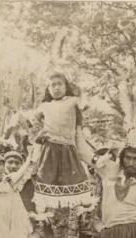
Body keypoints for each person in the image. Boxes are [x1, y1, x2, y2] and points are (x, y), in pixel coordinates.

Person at [30, 71, 95, 212]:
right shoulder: (45, 106)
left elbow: (86, 104)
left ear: (66, 86)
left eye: (60, 84)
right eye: (52, 85)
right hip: (49, 148)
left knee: (76, 179)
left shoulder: (73, 101)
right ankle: (42, 210)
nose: (56, 88)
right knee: (46, 176)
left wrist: (79, 91)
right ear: (48, 89)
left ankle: (83, 210)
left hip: (68, 148)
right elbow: (33, 120)